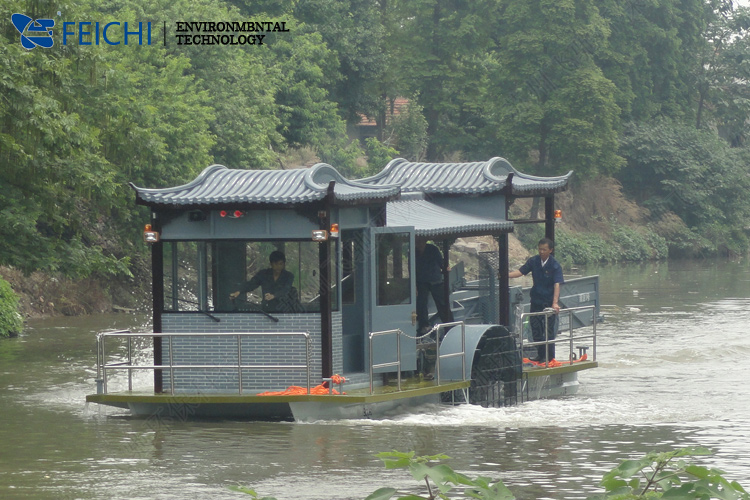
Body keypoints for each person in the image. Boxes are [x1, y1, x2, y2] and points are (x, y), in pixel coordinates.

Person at [507, 237, 564, 362]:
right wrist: (506, 275)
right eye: (540, 249)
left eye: (544, 249)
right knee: (536, 329)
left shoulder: (555, 265)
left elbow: (557, 284)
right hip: (536, 300)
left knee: (548, 331)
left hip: (548, 302)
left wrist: (555, 302)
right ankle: (540, 354)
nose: (541, 252)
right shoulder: (534, 261)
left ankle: (549, 357)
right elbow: (521, 272)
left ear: (550, 250)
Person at [230, 250, 296, 312]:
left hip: (283, 311)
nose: (278, 266)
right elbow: (251, 284)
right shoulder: (264, 274)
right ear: (271, 264)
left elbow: (286, 289)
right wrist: (239, 291)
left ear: (284, 264)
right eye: (275, 264)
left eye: (280, 264)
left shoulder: (289, 276)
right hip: (266, 310)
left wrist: (274, 295)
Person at [415, 237, 452, 335]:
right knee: (421, 303)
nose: (418, 244)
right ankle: (424, 325)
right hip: (421, 281)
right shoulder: (413, 252)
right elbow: (412, 268)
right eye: (416, 242)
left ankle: (450, 326)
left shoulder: (433, 249)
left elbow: (441, 263)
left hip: (435, 280)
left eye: (420, 241)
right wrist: (414, 285)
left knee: (442, 303)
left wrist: (445, 268)